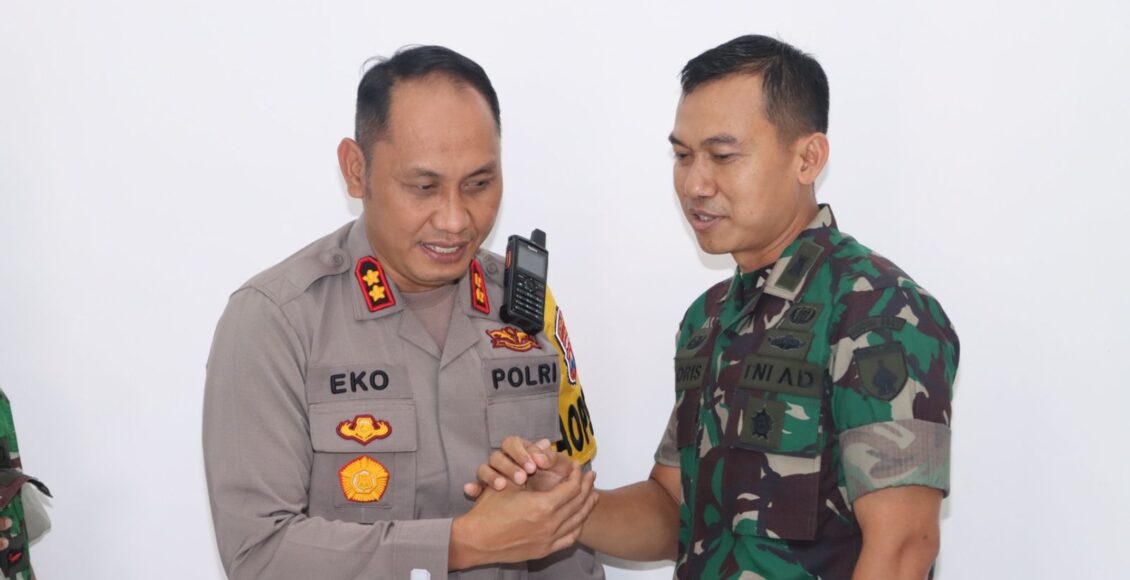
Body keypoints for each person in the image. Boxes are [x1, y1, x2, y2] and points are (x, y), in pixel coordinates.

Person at [471, 35, 959, 579]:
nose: (695, 184)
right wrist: (563, 502)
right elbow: (673, 511)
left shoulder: (877, 312)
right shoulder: (708, 318)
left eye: (723, 156)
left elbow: (903, 548)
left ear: (808, 158)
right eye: (683, 156)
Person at [202, 45, 602, 580]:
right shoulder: (277, 321)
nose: (455, 219)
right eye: (424, 187)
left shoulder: (525, 306)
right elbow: (259, 554)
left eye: (479, 184)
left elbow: (572, 524)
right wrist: (460, 545)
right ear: (356, 170)